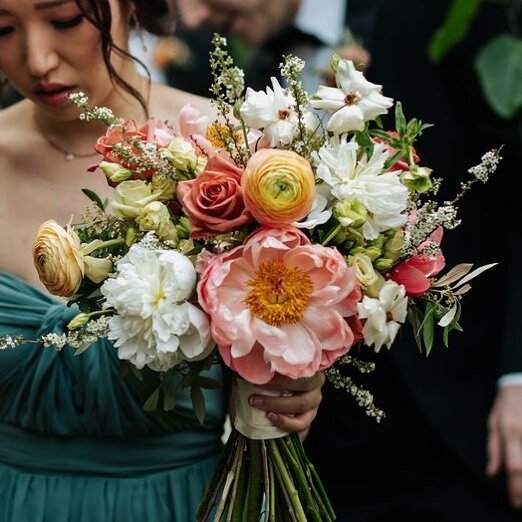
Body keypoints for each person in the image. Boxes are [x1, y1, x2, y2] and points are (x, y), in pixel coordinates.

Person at [0, 1, 323, 520]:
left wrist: (296, 376)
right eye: (2, 29)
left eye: (64, 20)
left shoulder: (236, 152)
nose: (36, 60)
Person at [304, 1, 522, 521]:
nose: (196, 18)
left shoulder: (442, 16)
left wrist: (518, 376)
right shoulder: (257, 56)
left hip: (470, 419)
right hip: (335, 437)